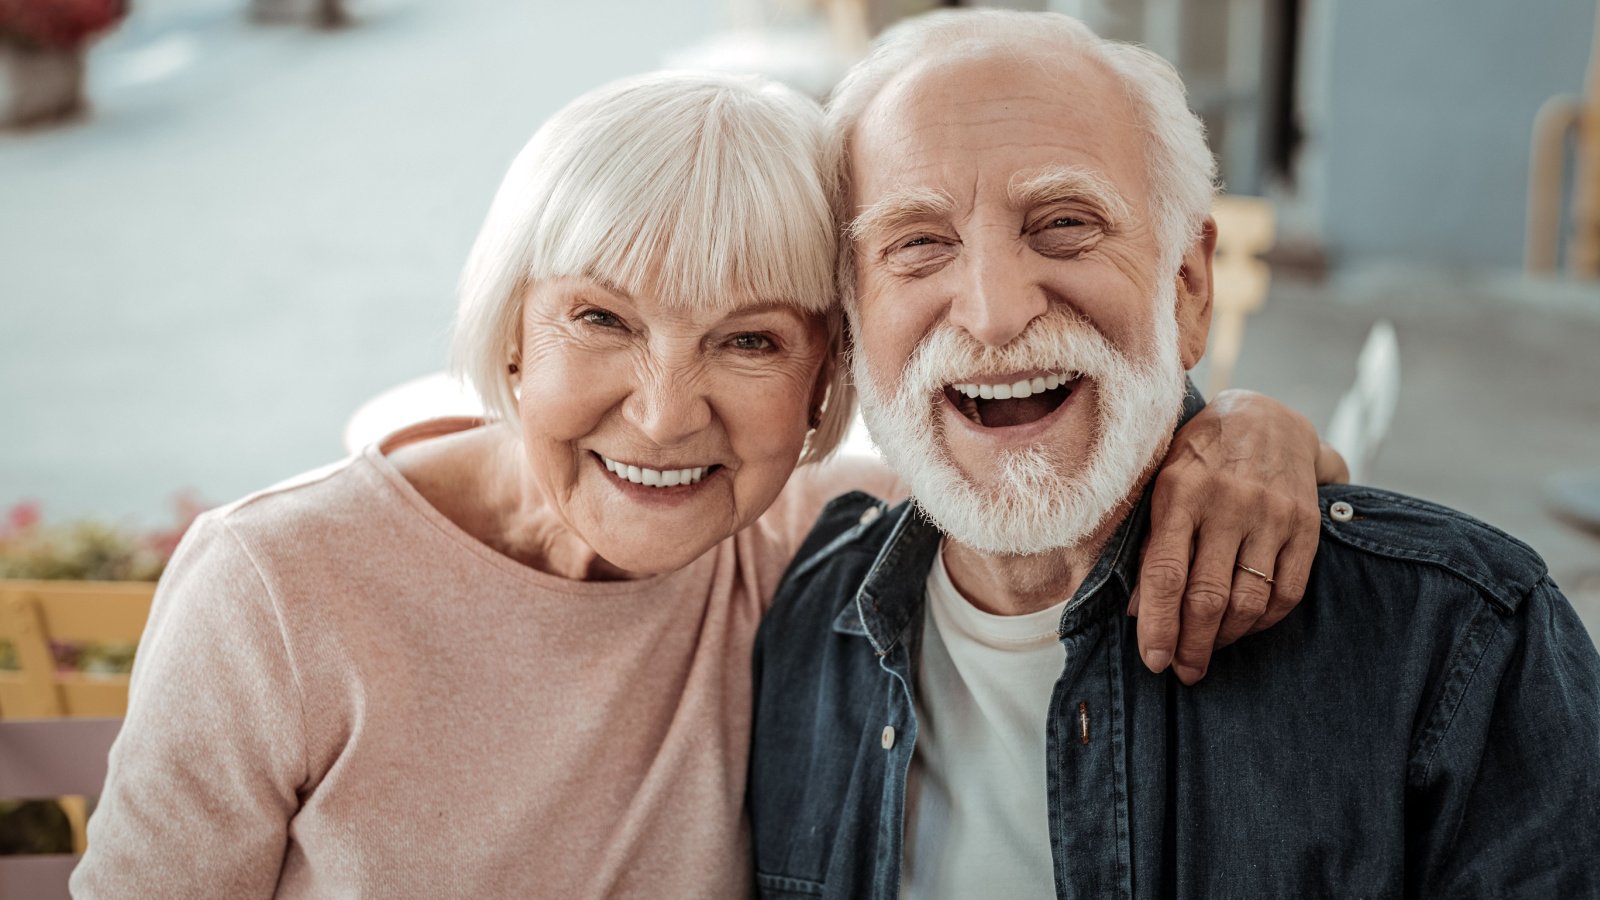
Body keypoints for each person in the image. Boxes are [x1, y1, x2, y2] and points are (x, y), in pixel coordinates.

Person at [74, 71, 1336, 898]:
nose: (666, 414)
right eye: (600, 319)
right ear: (509, 329)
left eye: (748, 341)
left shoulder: (808, 541)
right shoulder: (276, 588)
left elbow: (1046, 468)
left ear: (825, 384)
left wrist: (1245, 432)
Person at [747, 10, 1600, 899]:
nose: (994, 311)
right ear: (849, 326)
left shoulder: (1458, 644)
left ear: (1188, 288)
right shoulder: (796, 624)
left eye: (1064, 223)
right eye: (919, 243)